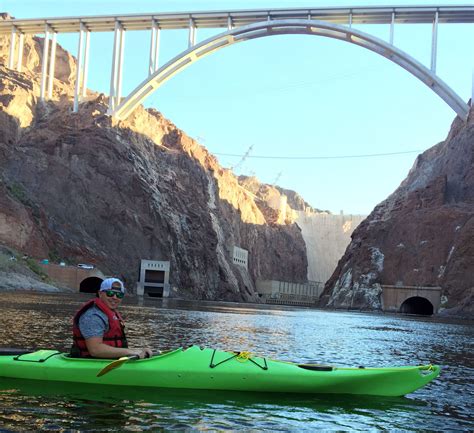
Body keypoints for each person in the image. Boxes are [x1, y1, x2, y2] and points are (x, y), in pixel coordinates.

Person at [71, 277, 152, 359]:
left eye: (119, 294)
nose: (115, 297)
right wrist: (129, 352)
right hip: (90, 362)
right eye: (110, 293)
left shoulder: (110, 314)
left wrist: (138, 350)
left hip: (109, 361)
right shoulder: (93, 316)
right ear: (100, 293)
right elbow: (95, 350)